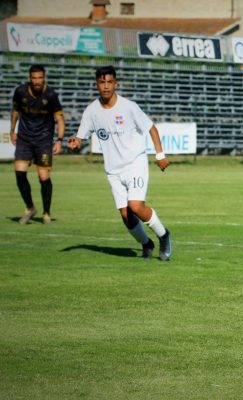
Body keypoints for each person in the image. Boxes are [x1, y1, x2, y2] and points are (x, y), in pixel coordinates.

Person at [68, 66, 172, 261]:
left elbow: (152, 128)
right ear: (97, 84)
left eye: (109, 82)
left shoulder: (129, 107)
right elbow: (80, 135)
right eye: (102, 82)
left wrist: (160, 156)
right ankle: (146, 244)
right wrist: (76, 141)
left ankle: (164, 235)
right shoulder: (91, 111)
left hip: (135, 163)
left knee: (136, 206)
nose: (106, 86)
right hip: (113, 171)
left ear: (115, 83)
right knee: (126, 216)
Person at [10, 64, 65, 224]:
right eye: (34, 78)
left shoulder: (51, 94)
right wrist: (12, 131)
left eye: (40, 78)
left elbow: (60, 119)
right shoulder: (20, 92)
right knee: (19, 173)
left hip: (43, 140)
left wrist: (59, 140)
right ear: (30, 78)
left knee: (43, 176)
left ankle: (46, 212)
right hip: (24, 139)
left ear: (44, 77)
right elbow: (15, 112)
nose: (37, 81)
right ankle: (30, 207)